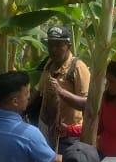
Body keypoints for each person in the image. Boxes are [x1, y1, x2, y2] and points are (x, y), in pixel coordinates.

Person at [35, 25, 91, 153]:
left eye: (59, 45)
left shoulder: (78, 67)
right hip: (48, 130)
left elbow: (87, 103)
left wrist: (60, 91)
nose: (53, 49)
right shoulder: (49, 63)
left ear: (68, 46)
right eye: (50, 45)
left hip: (69, 134)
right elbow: (39, 91)